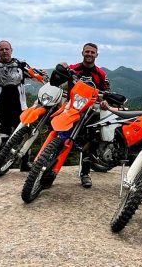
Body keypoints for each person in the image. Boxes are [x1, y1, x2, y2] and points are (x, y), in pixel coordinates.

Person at [0, 40, 46, 171]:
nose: (4, 51)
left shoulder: (21, 64)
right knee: (1, 138)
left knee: (25, 135)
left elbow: (34, 74)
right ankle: (0, 165)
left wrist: (45, 81)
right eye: (1, 49)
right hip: (1, 109)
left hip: (21, 108)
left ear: (11, 50)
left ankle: (25, 164)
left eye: (6, 49)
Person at [50, 42, 110, 188]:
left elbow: (107, 93)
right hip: (71, 108)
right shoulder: (73, 69)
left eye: (92, 52)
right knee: (60, 137)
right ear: (82, 53)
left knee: (91, 140)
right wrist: (59, 67)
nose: (89, 54)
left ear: (96, 55)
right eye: (87, 51)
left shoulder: (101, 74)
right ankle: (50, 170)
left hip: (90, 110)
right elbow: (54, 81)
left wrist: (105, 102)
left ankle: (85, 174)